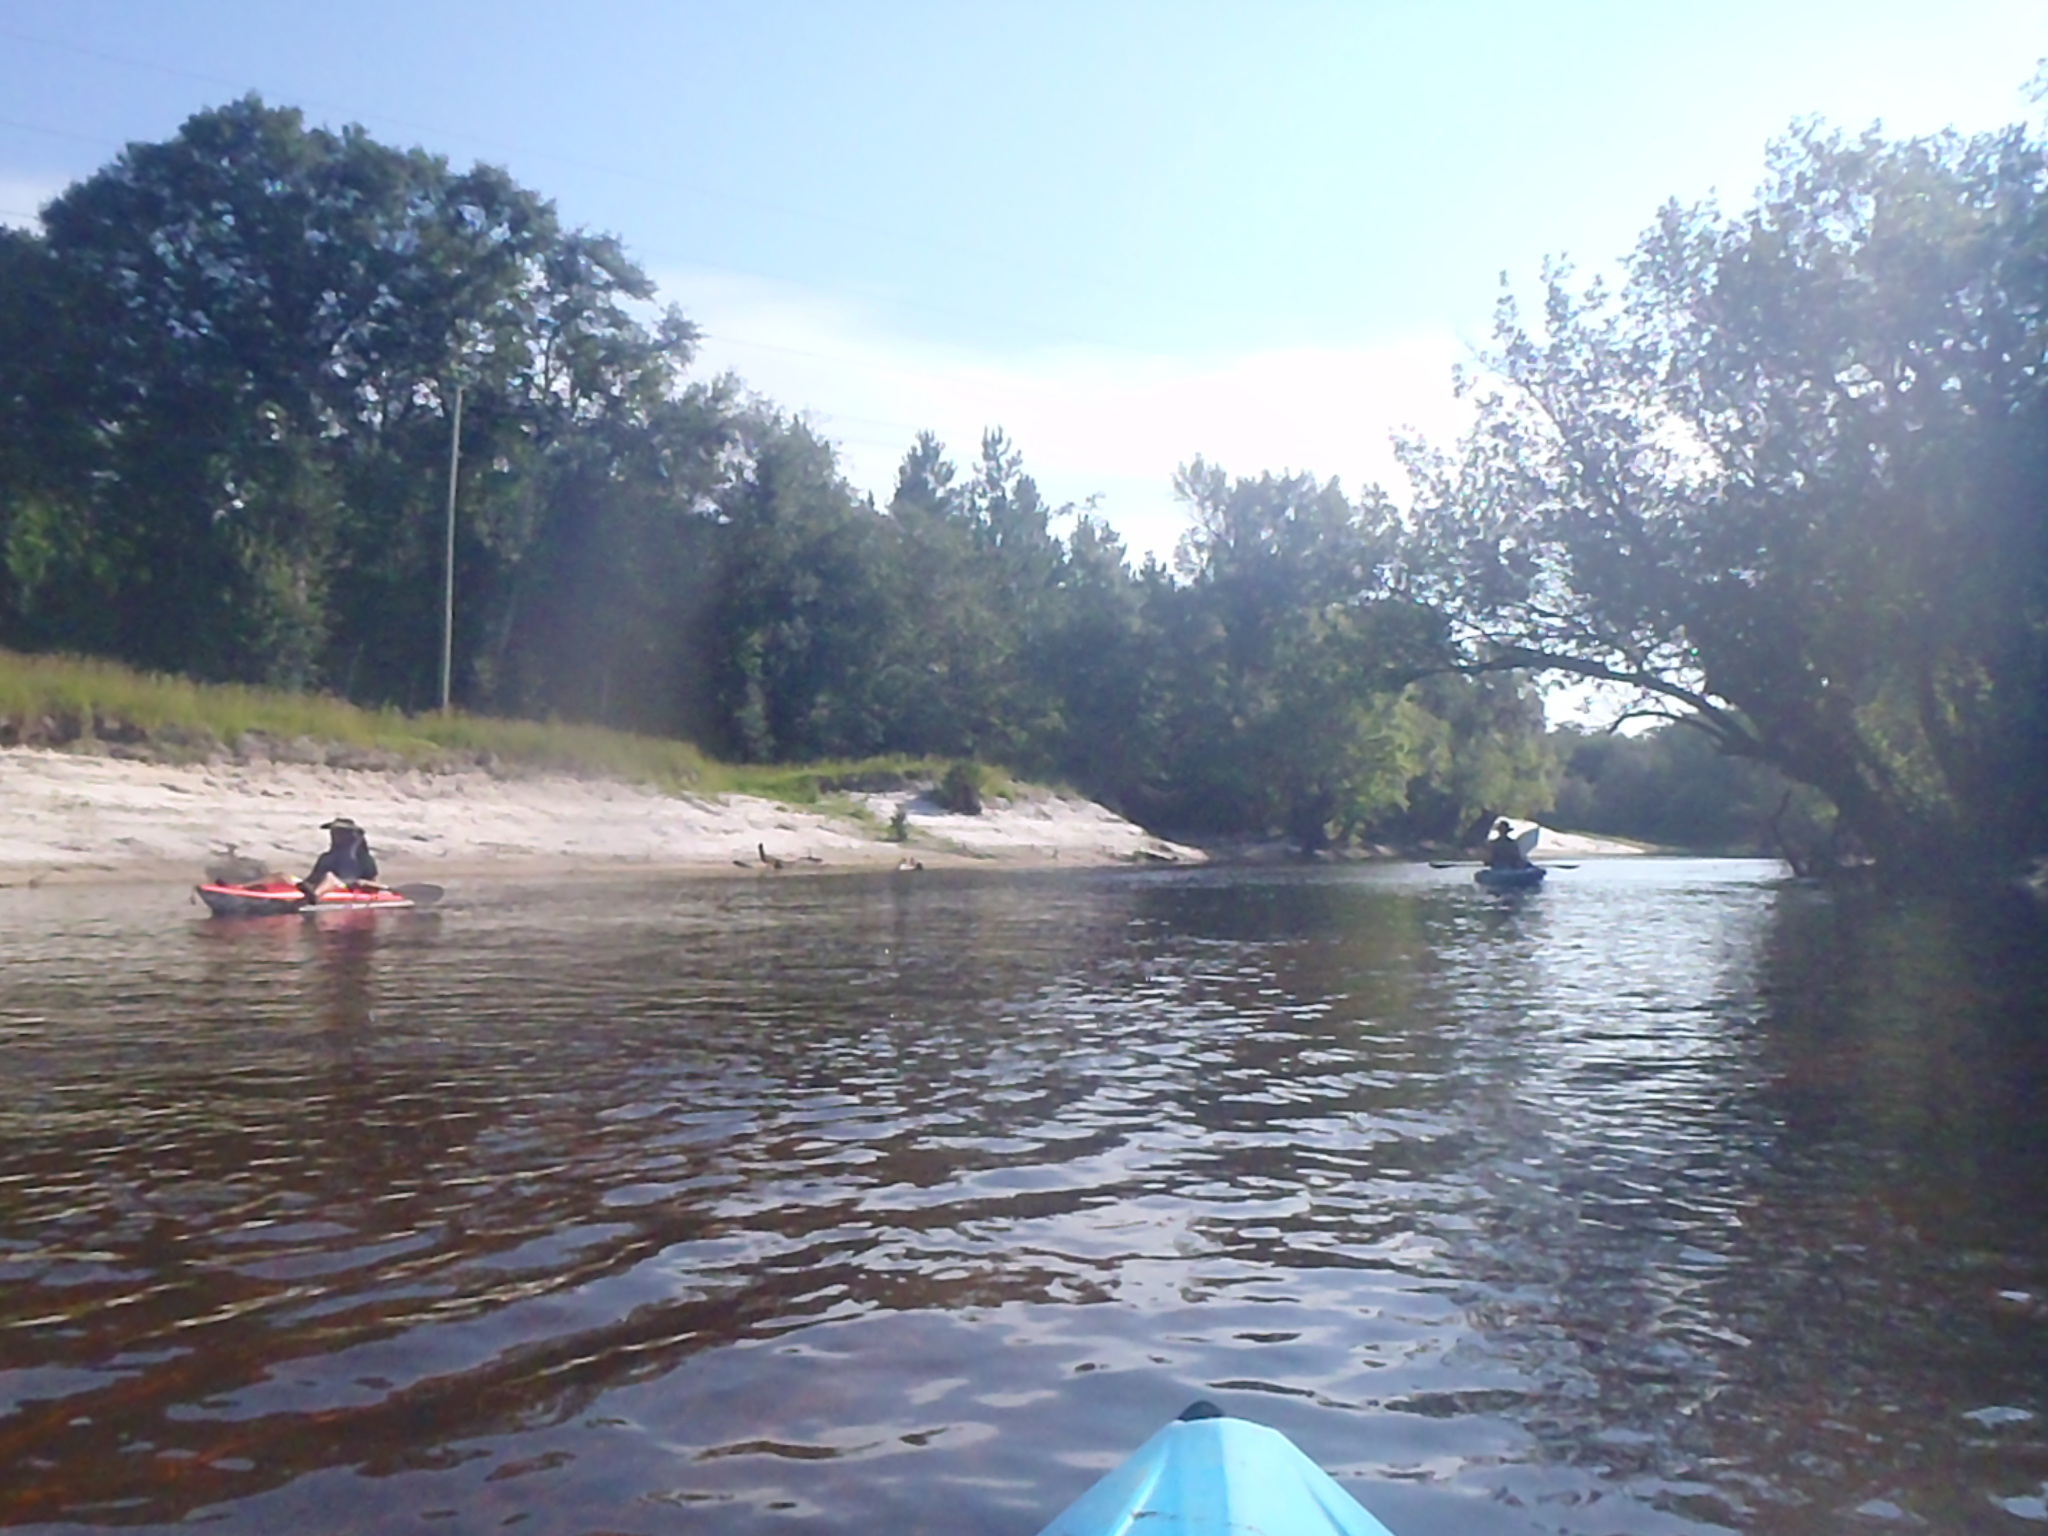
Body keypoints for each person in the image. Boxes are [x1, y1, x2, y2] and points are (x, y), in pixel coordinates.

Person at [299, 816, 379, 897]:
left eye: (339, 833)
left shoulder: (363, 859)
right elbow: (312, 880)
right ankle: (311, 894)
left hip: (347, 889)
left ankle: (315, 895)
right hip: (325, 887)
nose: (335, 836)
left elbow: (373, 883)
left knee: (331, 878)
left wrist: (360, 883)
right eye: (334, 833)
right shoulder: (327, 857)